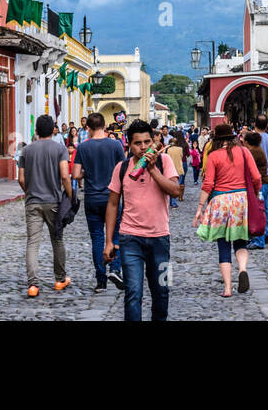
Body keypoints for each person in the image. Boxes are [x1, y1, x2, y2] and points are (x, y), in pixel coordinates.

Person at [105, 119, 182, 321]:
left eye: (147, 142)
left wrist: (152, 169)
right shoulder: (121, 168)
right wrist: (108, 242)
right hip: (130, 240)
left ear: (154, 141)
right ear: (129, 145)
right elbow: (113, 204)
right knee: (133, 294)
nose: (143, 147)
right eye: (138, 143)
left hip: (161, 239)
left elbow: (175, 191)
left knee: (163, 292)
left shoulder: (164, 162)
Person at [194, 123, 262, 297]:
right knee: (241, 240)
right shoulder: (245, 152)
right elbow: (256, 177)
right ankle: (243, 270)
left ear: (216, 140)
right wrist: (253, 194)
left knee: (223, 244)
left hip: (220, 202)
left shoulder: (214, 156)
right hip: (242, 200)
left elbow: (208, 183)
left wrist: (200, 207)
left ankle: (227, 288)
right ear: (233, 138)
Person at [18, 114, 72, 297]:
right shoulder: (60, 149)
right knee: (57, 240)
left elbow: (21, 179)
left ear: (36, 131)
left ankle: (33, 285)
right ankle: (60, 279)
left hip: (33, 201)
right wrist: (70, 196)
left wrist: (29, 192)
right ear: (53, 130)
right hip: (54, 201)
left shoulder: (26, 150)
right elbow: (65, 176)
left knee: (32, 243)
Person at [73, 113, 126, 292]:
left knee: (97, 238)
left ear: (88, 127)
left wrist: (87, 173)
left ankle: (100, 280)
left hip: (92, 197)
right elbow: (123, 170)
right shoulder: (116, 145)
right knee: (116, 235)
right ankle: (115, 269)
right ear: (104, 126)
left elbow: (75, 174)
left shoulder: (83, 147)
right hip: (112, 196)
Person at [251, 116, 268, 249]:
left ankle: (258, 237)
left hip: (258, 179)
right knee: (267, 208)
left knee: (258, 209)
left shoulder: (253, 140)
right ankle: (267, 233)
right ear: (267, 125)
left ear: (254, 124)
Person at [165, 132, 185, 209]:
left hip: (170, 170)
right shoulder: (180, 149)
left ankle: (171, 202)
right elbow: (182, 157)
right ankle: (173, 203)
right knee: (176, 187)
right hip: (179, 169)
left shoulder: (168, 150)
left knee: (170, 186)